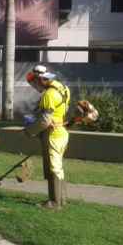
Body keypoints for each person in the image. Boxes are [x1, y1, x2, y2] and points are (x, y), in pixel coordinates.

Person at [24, 67, 71, 209]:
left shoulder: (49, 95)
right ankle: (61, 200)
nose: (35, 86)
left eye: (35, 83)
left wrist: (30, 131)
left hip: (53, 135)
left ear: (41, 79)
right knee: (58, 167)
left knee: (53, 168)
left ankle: (54, 202)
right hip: (62, 133)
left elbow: (45, 121)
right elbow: (63, 110)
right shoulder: (64, 89)